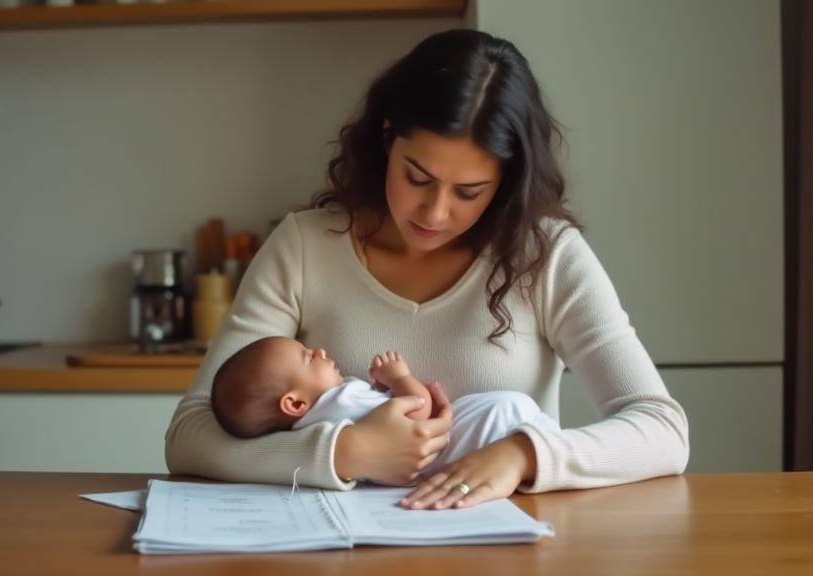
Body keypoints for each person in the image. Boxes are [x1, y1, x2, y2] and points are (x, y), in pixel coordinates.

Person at [166, 28, 689, 510]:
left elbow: (662, 430)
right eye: (417, 177)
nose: (435, 214)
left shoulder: (546, 255)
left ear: (506, 182)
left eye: (469, 192)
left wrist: (523, 455)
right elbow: (191, 437)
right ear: (388, 137)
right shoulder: (305, 246)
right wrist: (348, 451)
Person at [209, 336, 561, 484]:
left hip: (485, 457)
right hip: (483, 433)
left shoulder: (315, 429)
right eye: (306, 356)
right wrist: (401, 378)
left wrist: (381, 394)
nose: (317, 351)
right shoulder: (340, 400)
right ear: (295, 403)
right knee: (512, 411)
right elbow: (418, 416)